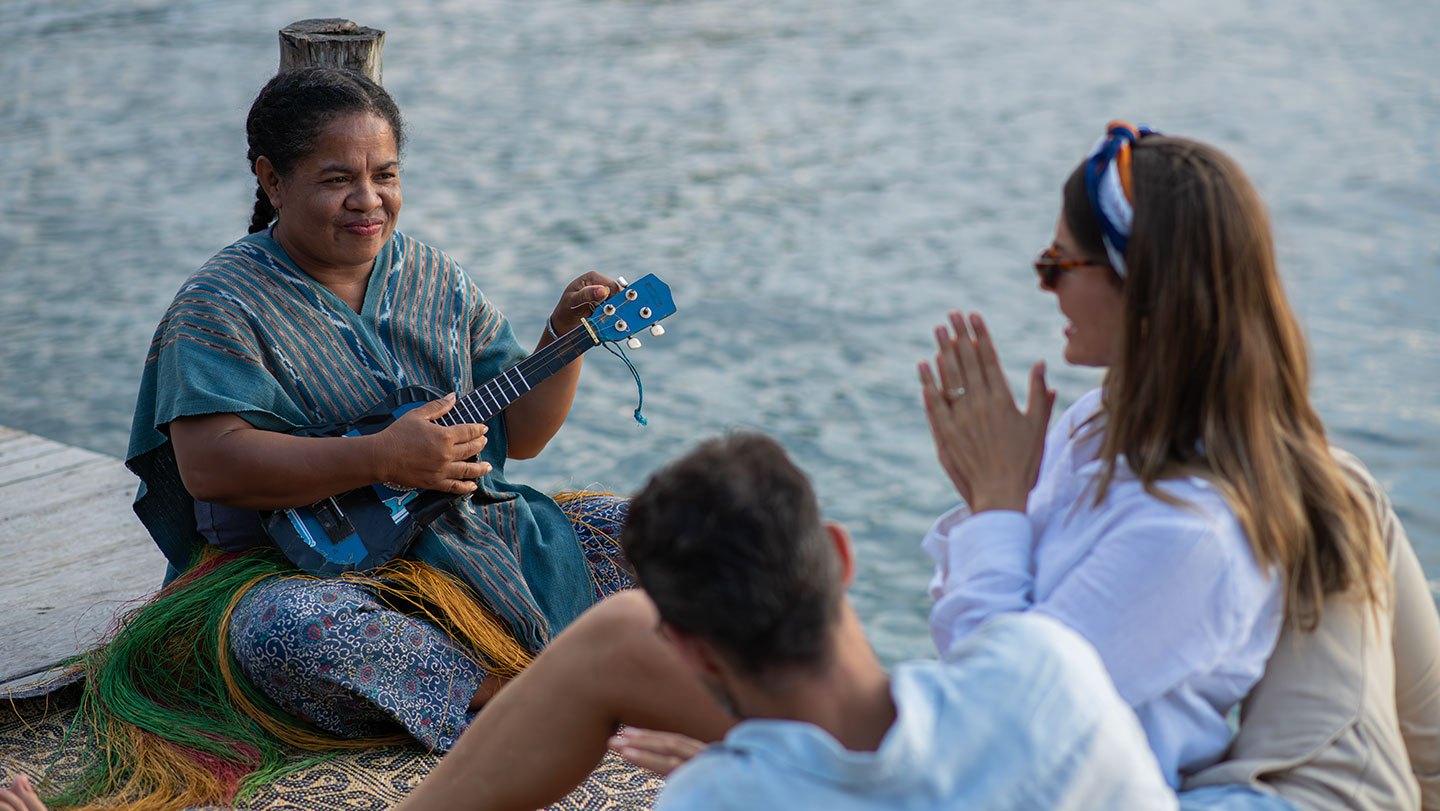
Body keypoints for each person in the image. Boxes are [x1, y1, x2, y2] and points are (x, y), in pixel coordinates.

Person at [59, 67, 635, 809]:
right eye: (339, 179)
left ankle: (558, 664)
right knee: (285, 632)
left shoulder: (435, 277)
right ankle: (501, 697)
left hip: (470, 537)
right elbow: (210, 465)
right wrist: (379, 456)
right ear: (272, 178)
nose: (370, 200)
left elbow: (519, 436)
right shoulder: (222, 304)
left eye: (386, 175)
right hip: (298, 568)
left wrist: (565, 339)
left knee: (632, 528)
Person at [916, 122, 1438, 806]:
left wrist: (997, 505)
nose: (1044, 284)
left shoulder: (1193, 533)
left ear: (1143, 292)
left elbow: (1001, 719)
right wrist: (992, 490)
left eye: (1060, 263)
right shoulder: (1095, 424)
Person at [392, 432, 1178, 810]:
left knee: (615, 631)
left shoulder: (724, 799)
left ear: (692, 649)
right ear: (839, 555)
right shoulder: (1046, 670)